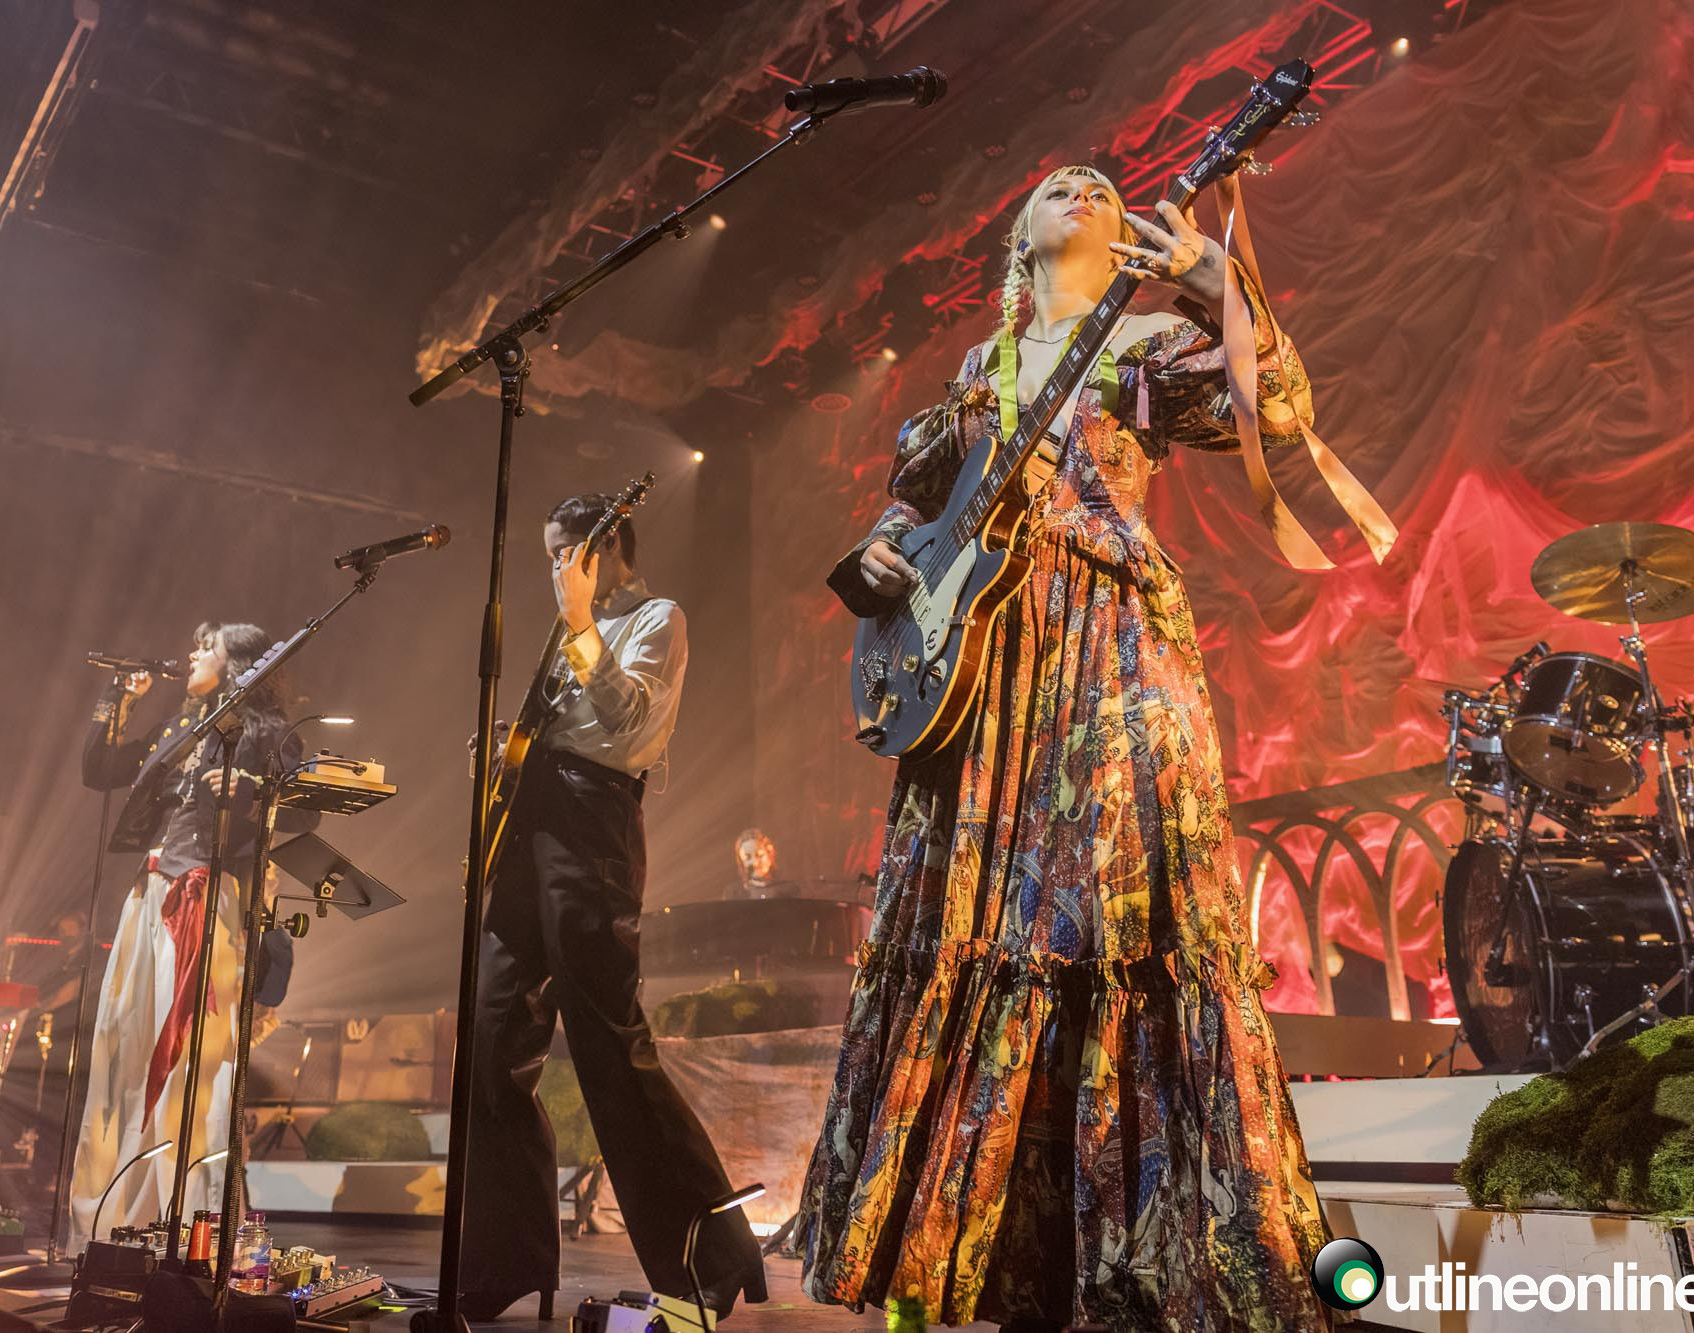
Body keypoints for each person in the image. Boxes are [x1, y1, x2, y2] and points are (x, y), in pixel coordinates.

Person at [801, 165, 1329, 1331]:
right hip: (979, 668)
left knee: (1126, 913)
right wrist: (882, 551)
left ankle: (1153, 1257)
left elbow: (1275, 405)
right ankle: (997, 1249)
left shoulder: (1142, 341)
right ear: (1018, 236)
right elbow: (913, 505)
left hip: (1106, 644)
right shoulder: (975, 369)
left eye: (1099, 184)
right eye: (1057, 184)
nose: (1082, 187)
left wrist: (1213, 282)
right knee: (987, 923)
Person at [457, 494, 766, 1322]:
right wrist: (505, 753)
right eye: (550, 555)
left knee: (608, 1044)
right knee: (490, 1037)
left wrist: (581, 621)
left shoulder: (658, 619)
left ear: (607, 547)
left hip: (593, 828)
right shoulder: (571, 629)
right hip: (534, 824)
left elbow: (627, 721)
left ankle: (709, 1255)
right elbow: (554, 732)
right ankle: (508, 1258)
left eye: (566, 552)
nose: (556, 569)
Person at [68, 621, 308, 1248]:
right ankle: (118, 1213)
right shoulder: (181, 727)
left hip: (206, 895)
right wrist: (119, 699)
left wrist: (253, 790)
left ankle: (190, 1217)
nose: (192, 653)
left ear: (238, 664)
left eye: (207, 646)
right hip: (150, 895)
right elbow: (100, 769)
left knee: (188, 1054)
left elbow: (307, 805)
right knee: (126, 1043)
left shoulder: (266, 733)